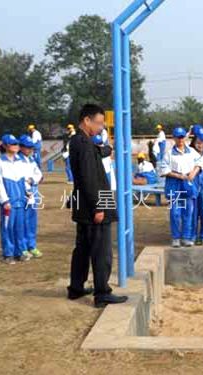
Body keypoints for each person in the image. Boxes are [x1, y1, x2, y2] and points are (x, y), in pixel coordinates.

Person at [68, 104, 128, 308]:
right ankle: (102, 292)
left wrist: (106, 149)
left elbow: (97, 152)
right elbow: (88, 178)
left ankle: (76, 287)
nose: (101, 128)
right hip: (95, 202)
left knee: (82, 249)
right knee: (102, 251)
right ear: (86, 120)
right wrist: (99, 207)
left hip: (84, 205)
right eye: (99, 123)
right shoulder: (83, 144)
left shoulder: (79, 141)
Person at [159, 127, 203, 248]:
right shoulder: (169, 154)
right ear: (173, 138)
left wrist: (193, 172)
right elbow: (164, 170)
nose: (180, 139)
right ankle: (176, 238)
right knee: (175, 213)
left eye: (182, 137)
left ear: (185, 137)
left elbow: (200, 162)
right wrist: (179, 175)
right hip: (174, 184)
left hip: (188, 183)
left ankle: (186, 237)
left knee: (188, 212)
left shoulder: (191, 151)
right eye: (178, 137)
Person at [0, 134, 29, 264]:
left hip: (21, 201)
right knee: (8, 228)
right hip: (8, 202)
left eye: (16, 143)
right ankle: (8, 253)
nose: (16, 146)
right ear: (5, 146)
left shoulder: (20, 161)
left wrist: (27, 193)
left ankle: (19, 252)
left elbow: (24, 180)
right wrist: (4, 200)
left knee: (20, 227)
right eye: (12, 144)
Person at [18, 135, 43, 259]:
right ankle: (22, 248)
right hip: (22, 194)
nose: (30, 150)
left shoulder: (31, 159)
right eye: (27, 147)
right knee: (22, 221)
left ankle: (32, 246)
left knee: (32, 221)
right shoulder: (16, 160)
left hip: (33, 192)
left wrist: (33, 180)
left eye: (31, 147)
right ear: (21, 147)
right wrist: (25, 183)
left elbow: (38, 174)